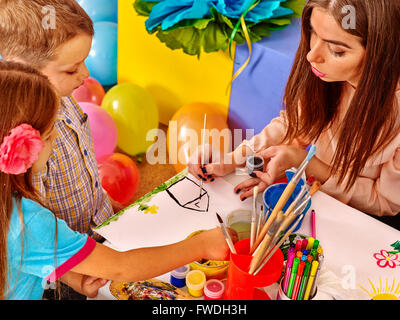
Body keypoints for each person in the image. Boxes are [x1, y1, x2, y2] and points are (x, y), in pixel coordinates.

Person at [0, 61, 235, 300]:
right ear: (22, 151)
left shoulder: (16, 210)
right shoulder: (28, 221)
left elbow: (32, 253)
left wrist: (74, 277)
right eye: (50, 135)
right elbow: (122, 266)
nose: (57, 137)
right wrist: (202, 245)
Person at [189, 0, 400, 220]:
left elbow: (385, 203)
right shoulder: (327, 76)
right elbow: (294, 124)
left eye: (336, 50)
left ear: (380, 52)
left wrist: (307, 164)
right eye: (313, 33)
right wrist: (235, 158)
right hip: (312, 195)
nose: (311, 55)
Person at [0, 0, 118, 243]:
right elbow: (32, 226)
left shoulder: (63, 97)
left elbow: (83, 165)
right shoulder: (25, 141)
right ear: (23, 70)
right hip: (71, 257)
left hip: (102, 226)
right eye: (72, 69)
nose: (86, 75)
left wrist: (107, 206)